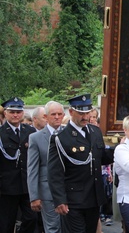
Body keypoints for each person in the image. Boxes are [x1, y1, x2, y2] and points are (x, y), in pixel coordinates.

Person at [47, 94, 114, 233]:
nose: (85, 117)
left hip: (94, 197)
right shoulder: (61, 138)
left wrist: (121, 149)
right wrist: (59, 200)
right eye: (80, 113)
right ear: (71, 112)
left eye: (87, 112)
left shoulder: (95, 131)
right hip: (73, 199)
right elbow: (55, 172)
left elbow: (101, 158)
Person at [0, 97, 38, 233]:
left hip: (27, 185)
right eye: (12, 112)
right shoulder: (1, 133)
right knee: (6, 223)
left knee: (32, 218)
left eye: (18, 112)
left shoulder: (30, 132)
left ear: (22, 113)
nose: (15, 115)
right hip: (7, 187)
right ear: (5, 113)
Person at [27, 101, 65, 233]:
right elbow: (32, 169)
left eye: (59, 114)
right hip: (47, 192)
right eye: (53, 114)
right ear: (46, 116)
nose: (57, 117)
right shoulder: (35, 138)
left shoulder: (69, 133)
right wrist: (34, 196)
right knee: (53, 228)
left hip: (69, 190)